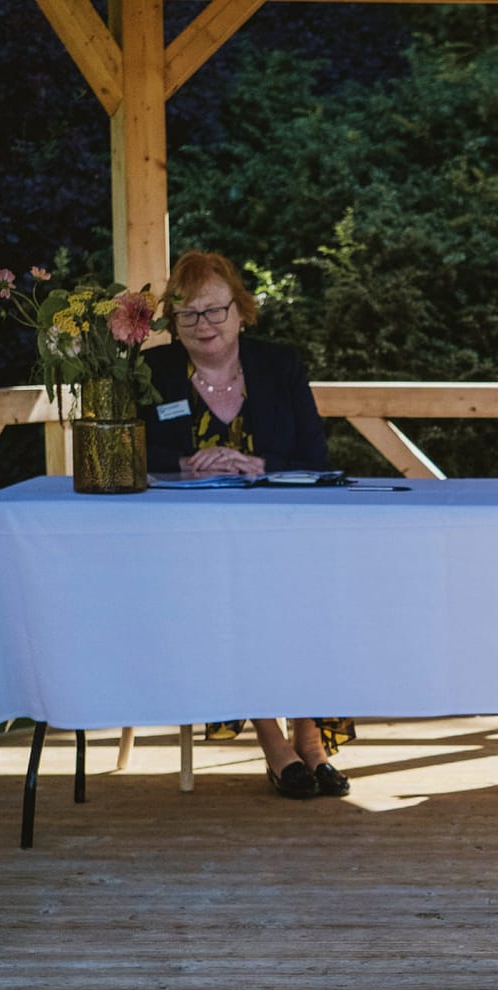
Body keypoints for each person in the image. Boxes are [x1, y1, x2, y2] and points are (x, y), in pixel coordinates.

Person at [141, 249, 353, 801]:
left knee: (310, 597)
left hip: (284, 535)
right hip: (193, 548)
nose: (204, 325)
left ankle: (310, 739)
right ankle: (273, 740)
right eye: (188, 314)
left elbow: (316, 452)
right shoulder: (155, 372)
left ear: (241, 311)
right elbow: (131, 452)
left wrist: (263, 465)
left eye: (214, 310)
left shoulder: (279, 365)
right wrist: (183, 464)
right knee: (237, 600)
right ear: (173, 323)